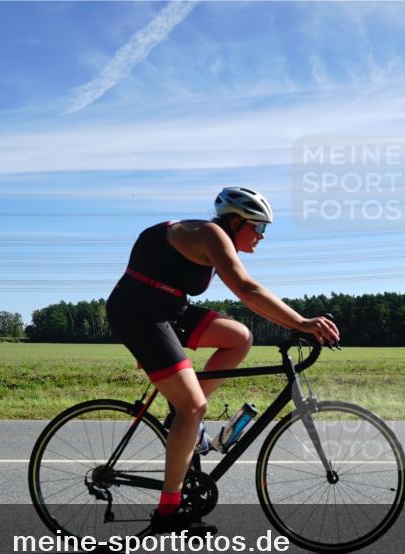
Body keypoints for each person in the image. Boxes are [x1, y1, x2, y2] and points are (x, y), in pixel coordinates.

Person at [106, 187, 339, 532]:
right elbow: (247, 290)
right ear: (234, 221)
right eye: (258, 228)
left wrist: (297, 324)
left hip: (169, 308)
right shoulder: (212, 234)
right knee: (193, 406)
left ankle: (184, 417)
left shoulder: (217, 238)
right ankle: (168, 512)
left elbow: (246, 294)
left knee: (239, 337)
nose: (261, 236)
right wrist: (302, 322)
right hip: (138, 312)